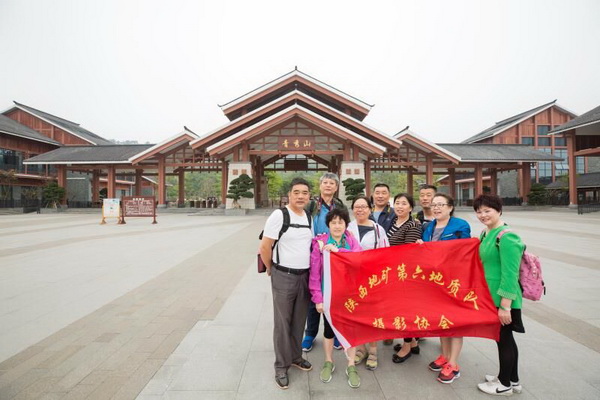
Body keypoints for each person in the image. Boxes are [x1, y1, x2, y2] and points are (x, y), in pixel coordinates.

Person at [259, 178, 314, 390]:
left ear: (309, 196)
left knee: (300, 320)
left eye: (304, 193)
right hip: (284, 275)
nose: (300, 196)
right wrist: (271, 268)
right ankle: (281, 366)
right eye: (296, 192)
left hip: (304, 275)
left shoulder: (308, 216)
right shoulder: (279, 215)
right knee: (283, 322)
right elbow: (265, 246)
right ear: (289, 195)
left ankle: (296, 357)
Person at [473, 194, 525, 396]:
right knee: (505, 339)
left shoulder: (507, 237)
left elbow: (510, 275)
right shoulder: (486, 233)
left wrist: (505, 306)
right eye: (479, 211)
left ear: (499, 210)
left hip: (504, 298)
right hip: (491, 296)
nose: (483, 215)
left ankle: (504, 385)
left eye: (487, 211)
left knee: (504, 339)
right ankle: (513, 380)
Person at [419, 193, 471, 384]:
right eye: (434, 205)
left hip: (454, 281)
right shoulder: (428, 227)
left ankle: (453, 364)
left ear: (450, 207)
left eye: (441, 204)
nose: (437, 208)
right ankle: (445, 356)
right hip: (435, 282)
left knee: (455, 322)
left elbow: (464, 251)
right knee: (441, 319)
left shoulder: (461, 226)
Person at [309, 208, 363, 388]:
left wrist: (338, 251)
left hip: (349, 295)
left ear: (346, 224)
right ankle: (328, 361)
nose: (337, 226)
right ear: (328, 225)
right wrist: (318, 298)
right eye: (333, 222)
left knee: (351, 330)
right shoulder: (320, 243)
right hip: (329, 295)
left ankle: (351, 364)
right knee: (329, 330)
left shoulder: (351, 241)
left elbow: (358, 259)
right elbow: (314, 274)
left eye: (341, 222)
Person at [302, 173, 346, 352]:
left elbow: (344, 226)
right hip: (315, 253)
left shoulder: (340, 205)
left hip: (335, 254)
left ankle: (333, 333)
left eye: (332, 183)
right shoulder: (311, 205)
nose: (328, 185)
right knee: (315, 295)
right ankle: (310, 334)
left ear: (336, 187)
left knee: (334, 295)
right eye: (325, 182)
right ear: (320, 186)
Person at [347, 195, 389, 370]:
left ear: (370, 209)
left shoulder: (379, 230)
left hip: (372, 279)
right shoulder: (347, 228)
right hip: (352, 279)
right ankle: (361, 348)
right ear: (352, 209)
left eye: (363, 206)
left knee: (372, 315)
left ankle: (373, 350)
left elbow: (386, 254)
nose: (360, 210)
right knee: (356, 314)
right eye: (357, 207)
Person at [386, 193, 423, 363]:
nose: (399, 206)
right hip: (393, 273)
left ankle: (406, 346)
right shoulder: (394, 221)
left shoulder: (413, 225)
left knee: (405, 310)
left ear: (411, 208)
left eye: (404, 203)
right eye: (397, 203)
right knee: (400, 309)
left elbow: (408, 253)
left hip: (404, 275)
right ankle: (413, 342)